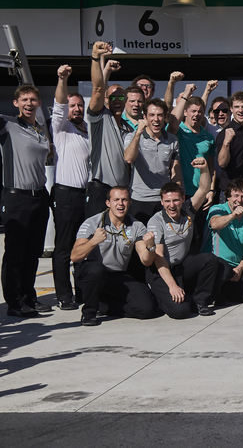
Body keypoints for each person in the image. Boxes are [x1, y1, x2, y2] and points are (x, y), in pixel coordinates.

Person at [0, 84, 53, 317]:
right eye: (24, 100)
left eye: (33, 99)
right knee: (15, 253)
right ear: (16, 103)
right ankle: (14, 302)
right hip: (17, 197)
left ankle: (29, 297)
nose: (29, 103)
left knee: (33, 251)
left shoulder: (40, 130)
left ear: (39, 103)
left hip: (39, 196)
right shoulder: (8, 125)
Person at [71, 186, 159, 325]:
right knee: (95, 270)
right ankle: (89, 313)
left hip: (117, 275)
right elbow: (75, 256)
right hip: (92, 274)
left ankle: (104, 305)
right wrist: (93, 241)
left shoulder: (137, 226)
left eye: (124, 200)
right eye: (116, 200)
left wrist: (151, 246)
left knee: (147, 309)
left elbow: (146, 260)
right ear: (108, 203)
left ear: (129, 202)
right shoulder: (92, 222)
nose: (120, 204)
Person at [145, 158, 220, 318]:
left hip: (182, 266)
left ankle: (200, 301)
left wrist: (205, 168)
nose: (172, 205)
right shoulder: (156, 221)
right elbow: (158, 258)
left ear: (183, 199)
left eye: (175, 200)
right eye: (167, 201)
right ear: (162, 202)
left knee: (210, 260)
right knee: (181, 312)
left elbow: (204, 188)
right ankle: (160, 295)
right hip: (161, 270)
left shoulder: (187, 210)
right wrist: (172, 286)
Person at [50, 64, 89, 311]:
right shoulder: (61, 128)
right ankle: (64, 295)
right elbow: (59, 106)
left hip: (84, 196)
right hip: (65, 193)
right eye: (73, 105)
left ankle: (83, 291)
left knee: (83, 247)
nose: (76, 109)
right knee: (64, 248)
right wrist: (63, 79)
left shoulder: (85, 132)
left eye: (79, 106)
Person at [85, 42, 132, 216]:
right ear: (106, 100)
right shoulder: (100, 118)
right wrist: (96, 58)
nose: (117, 100)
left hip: (123, 193)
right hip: (101, 190)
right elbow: (98, 89)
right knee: (96, 239)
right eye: (112, 97)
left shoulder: (128, 127)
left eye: (121, 96)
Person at [204, 179, 243, 304]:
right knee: (225, 272)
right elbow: (215, 224)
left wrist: (241, 267)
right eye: (236, 195)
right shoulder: (218, 209)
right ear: (228, 197)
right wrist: (232, 216)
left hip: (237, 266)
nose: (239, 200)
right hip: (216, 264)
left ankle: (227, 293)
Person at [124, 98, 180, 224]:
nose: (156, 119)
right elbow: (128, 158)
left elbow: (176, 171)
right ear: (144, 117)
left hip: (163, 199)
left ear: (165, 117)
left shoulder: (173, 140)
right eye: (152, 115)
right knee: (140, 241)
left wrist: (178, 195)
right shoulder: (132, 136)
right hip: (139, 199)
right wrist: (138, 133)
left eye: (160, 115)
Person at [215, 91, 243, 197]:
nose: (240, 110)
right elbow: (222, 163)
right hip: (228, 191)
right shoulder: (224, 133)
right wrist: (226, 142)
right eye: (237, 107)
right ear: (231, 109)